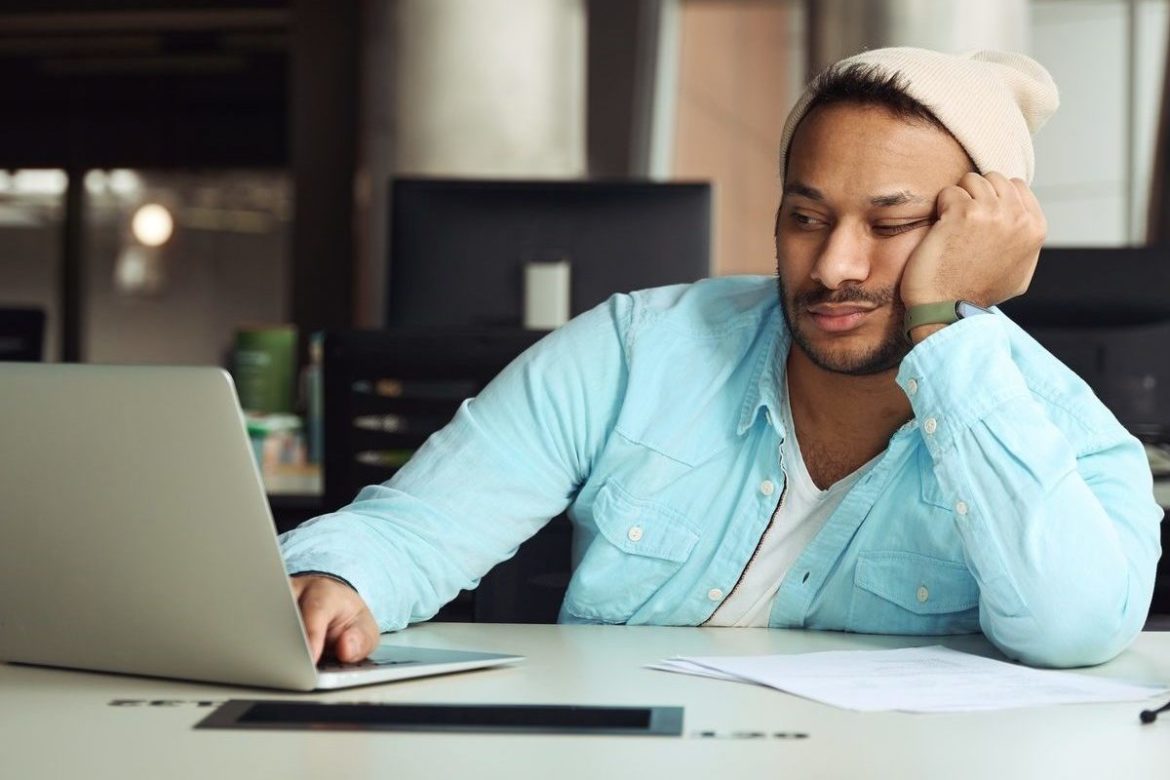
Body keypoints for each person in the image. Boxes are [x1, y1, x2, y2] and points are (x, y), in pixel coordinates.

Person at [280, 47, 1162, 669]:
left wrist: (948, 331)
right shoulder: (637, 348)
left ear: (975, 239)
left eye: (892, 226)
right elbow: (415, 527)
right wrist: (335, 578)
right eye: (806, 217)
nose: (833, 268)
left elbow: (1075, 630)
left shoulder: (1066, 431)